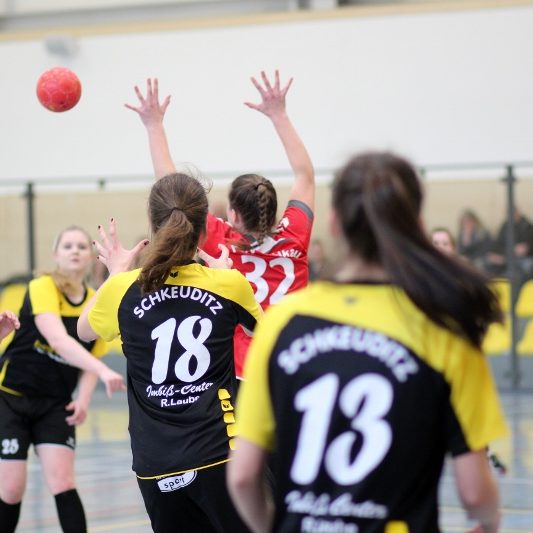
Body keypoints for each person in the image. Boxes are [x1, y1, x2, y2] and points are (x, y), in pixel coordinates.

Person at [227, 152, 507, 533]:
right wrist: (489, 523)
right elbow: (475, 494)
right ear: (418, 226)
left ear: (334, 225)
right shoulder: (444, 330)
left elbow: (243, 477)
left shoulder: (281, 324)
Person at [78, 174, 262, 533]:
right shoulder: (227, 283)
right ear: (203, 231)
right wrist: (225, 275)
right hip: (219, 453)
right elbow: (263, 332)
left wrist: (116, 272)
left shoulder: (123, 288)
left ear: (154, 224)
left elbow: (84, 330)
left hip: (155, 464)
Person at [125, 71, 315, 379]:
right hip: (294, 363)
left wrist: (153, 126)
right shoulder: (296, 233)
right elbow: (305, 175)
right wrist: (279, 115)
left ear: (234, 216)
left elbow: (171, 188)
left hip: (242, 370)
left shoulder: (219, 240)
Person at [0, 225, 126, 533]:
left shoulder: (95, 300)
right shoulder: (42, 286)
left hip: (55, 404)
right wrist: (104, 372)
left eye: (82, 246)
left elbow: (91, 357)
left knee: (63, 482)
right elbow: (57, 339)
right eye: (67, 246)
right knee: (11, 489)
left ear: (90, 257)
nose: (75, 251)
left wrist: (83, 399)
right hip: (11, 398)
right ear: (56, 254)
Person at [486, 207, 533, 281]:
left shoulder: (526, 226)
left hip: (520, 260)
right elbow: (498, 243)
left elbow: (524, 249)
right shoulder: (505, 225)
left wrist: (525, 248)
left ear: (518, 213)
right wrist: (496, 255)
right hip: (505, 256)